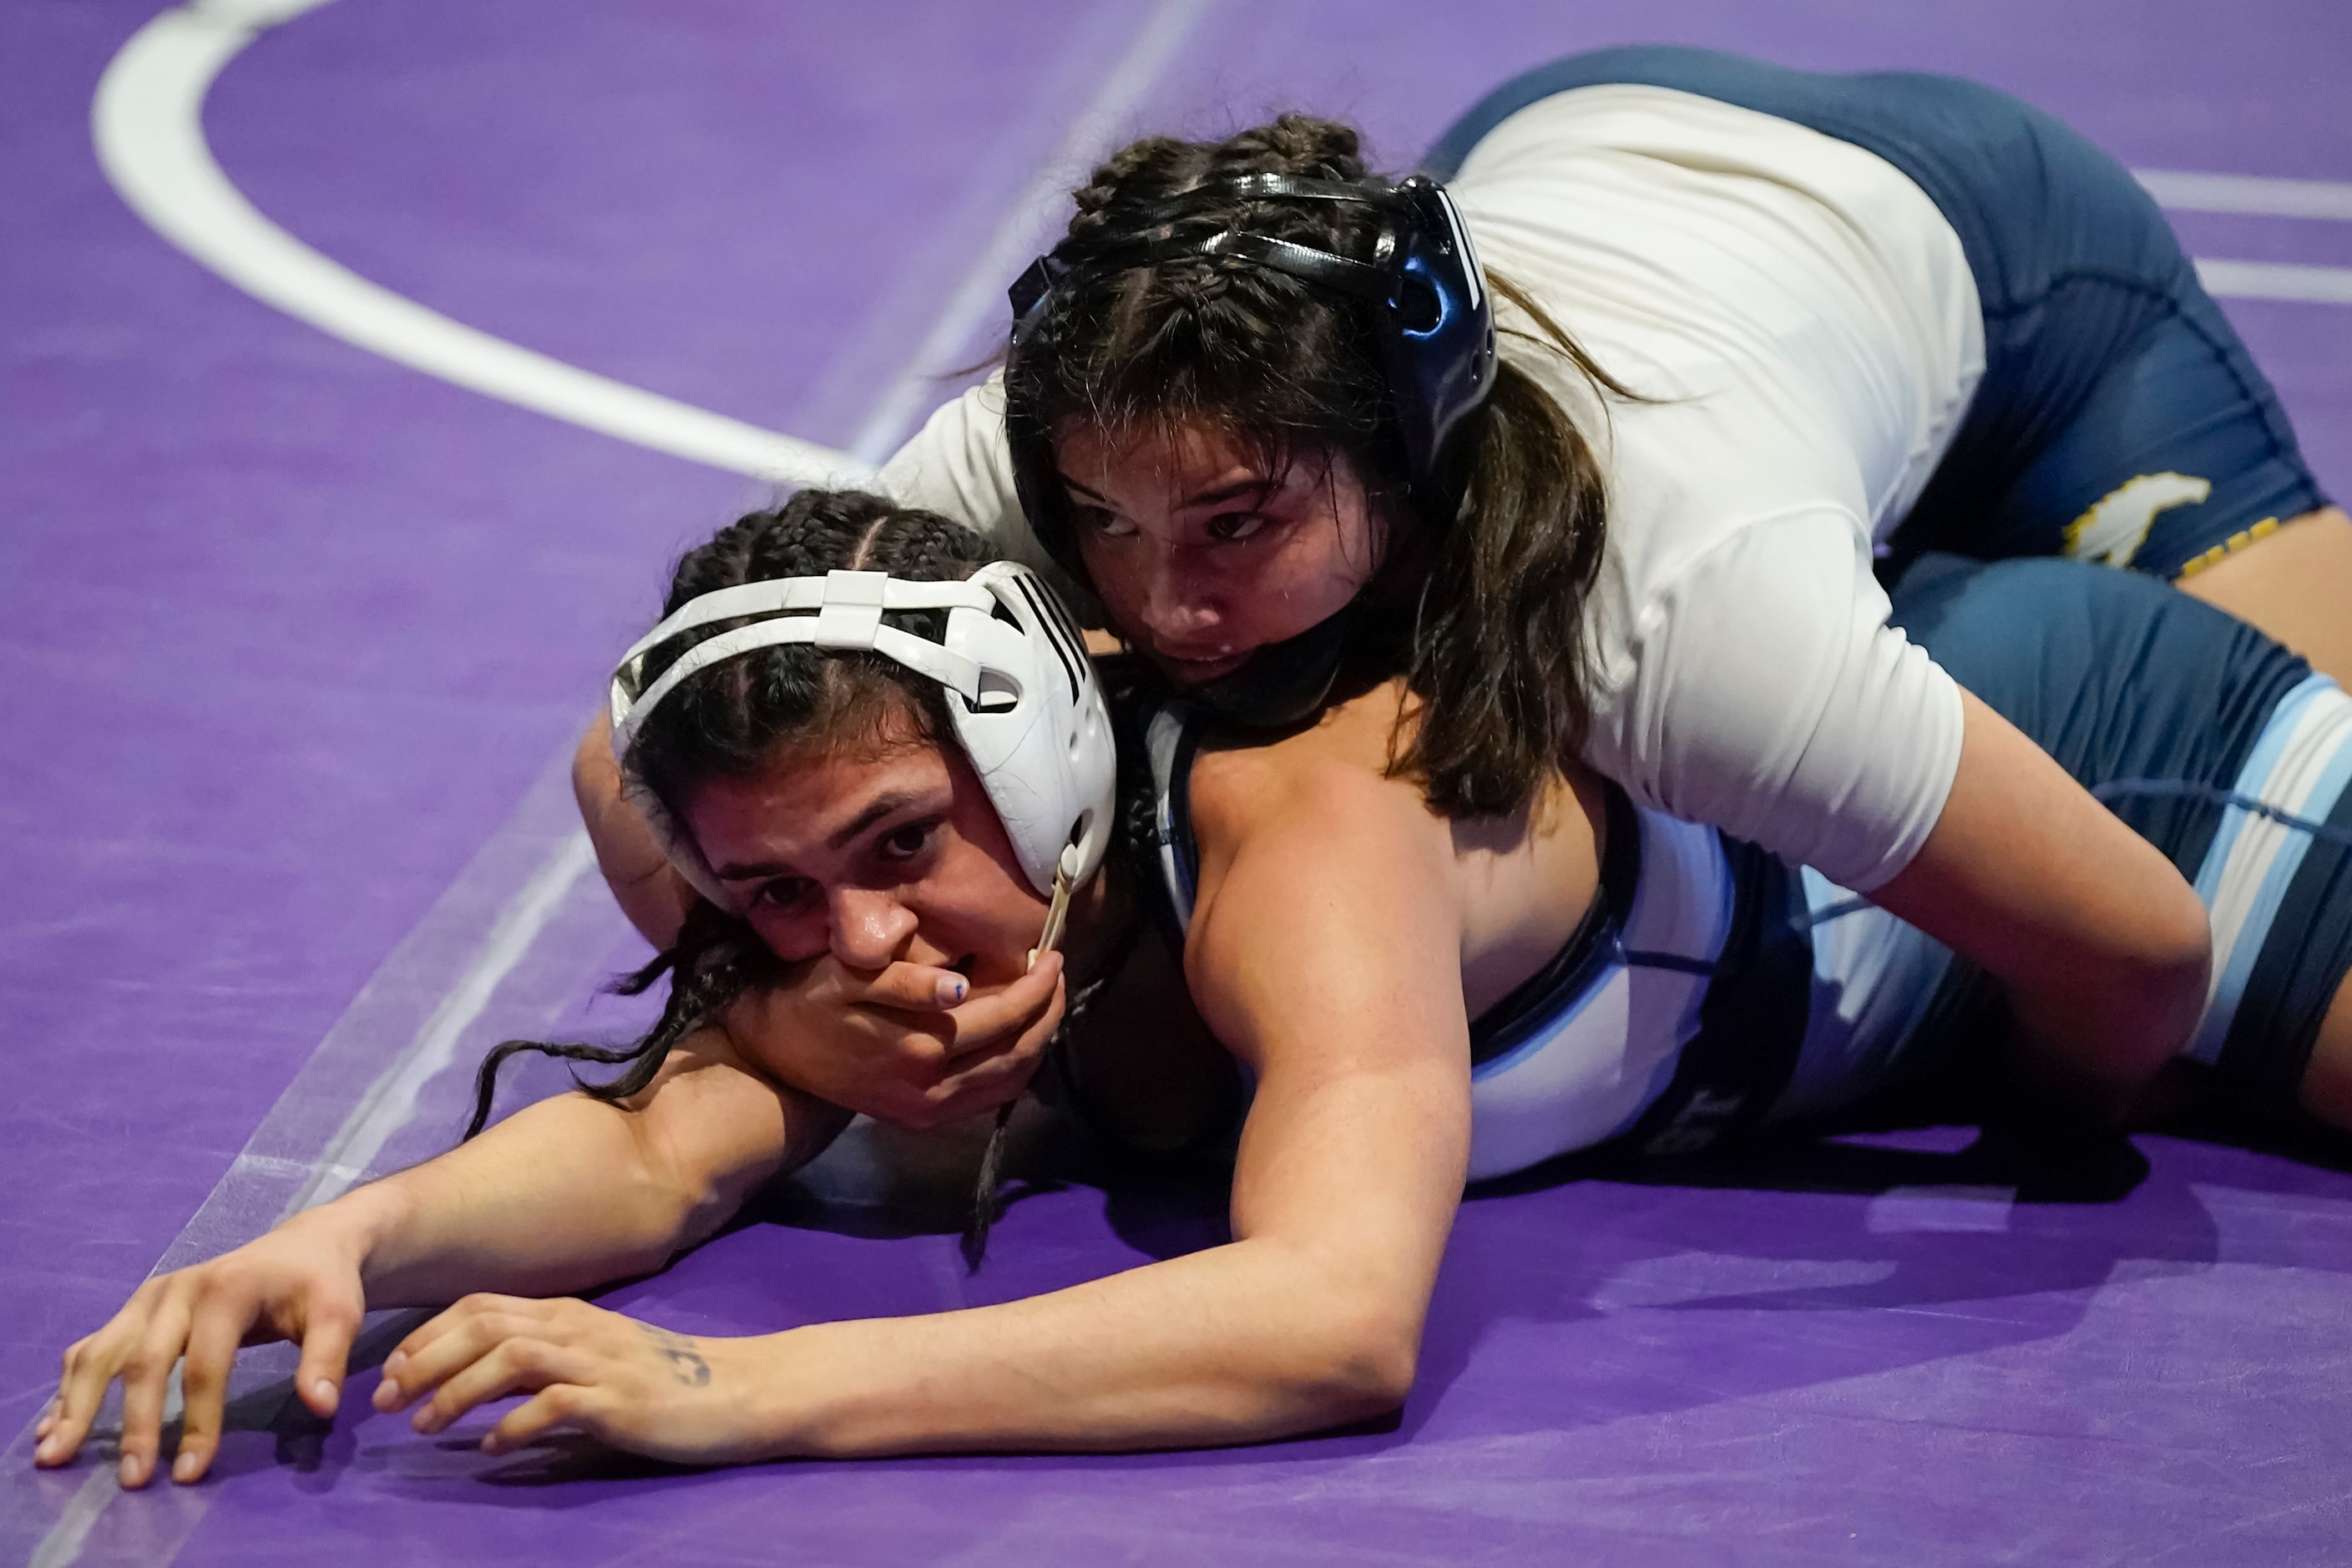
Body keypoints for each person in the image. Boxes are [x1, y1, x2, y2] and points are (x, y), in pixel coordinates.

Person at [37, 488, 2352, 1485]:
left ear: (1044, 757)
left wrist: (742, 1396)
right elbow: (669, 1136)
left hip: (2119, 774)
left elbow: (1330, 1321)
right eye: (769, 895)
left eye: (895, 847)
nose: (861, 948)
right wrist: (338, 1235)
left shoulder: (1298, 828)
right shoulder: (863, 931)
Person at [579, 47, 2352, 1137]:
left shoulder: (1671, 614)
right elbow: (637, 749)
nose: (1160, 599)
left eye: (1234, 527)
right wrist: (792, 1010)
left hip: (2002, 268)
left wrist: (2025, 1109)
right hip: (1569, 141)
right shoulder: (1109, 421)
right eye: (1101, 529)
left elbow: (2132, 961)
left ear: (1399, 441)